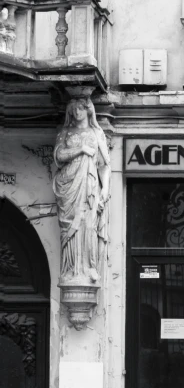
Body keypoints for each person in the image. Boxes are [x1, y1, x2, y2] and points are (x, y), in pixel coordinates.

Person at [53, 96, 110, 284]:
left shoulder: (96, 133)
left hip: (89, 185)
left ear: (88, 110)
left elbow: (104, 165)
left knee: (89, 225)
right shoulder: (65, 132)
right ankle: (70, 269)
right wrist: (81, 149)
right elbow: (59, 155)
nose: (77, 112)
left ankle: (89, 268)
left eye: (80, 108)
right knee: (70, 227)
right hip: (69, 185)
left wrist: (105, 189)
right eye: (73, 109)